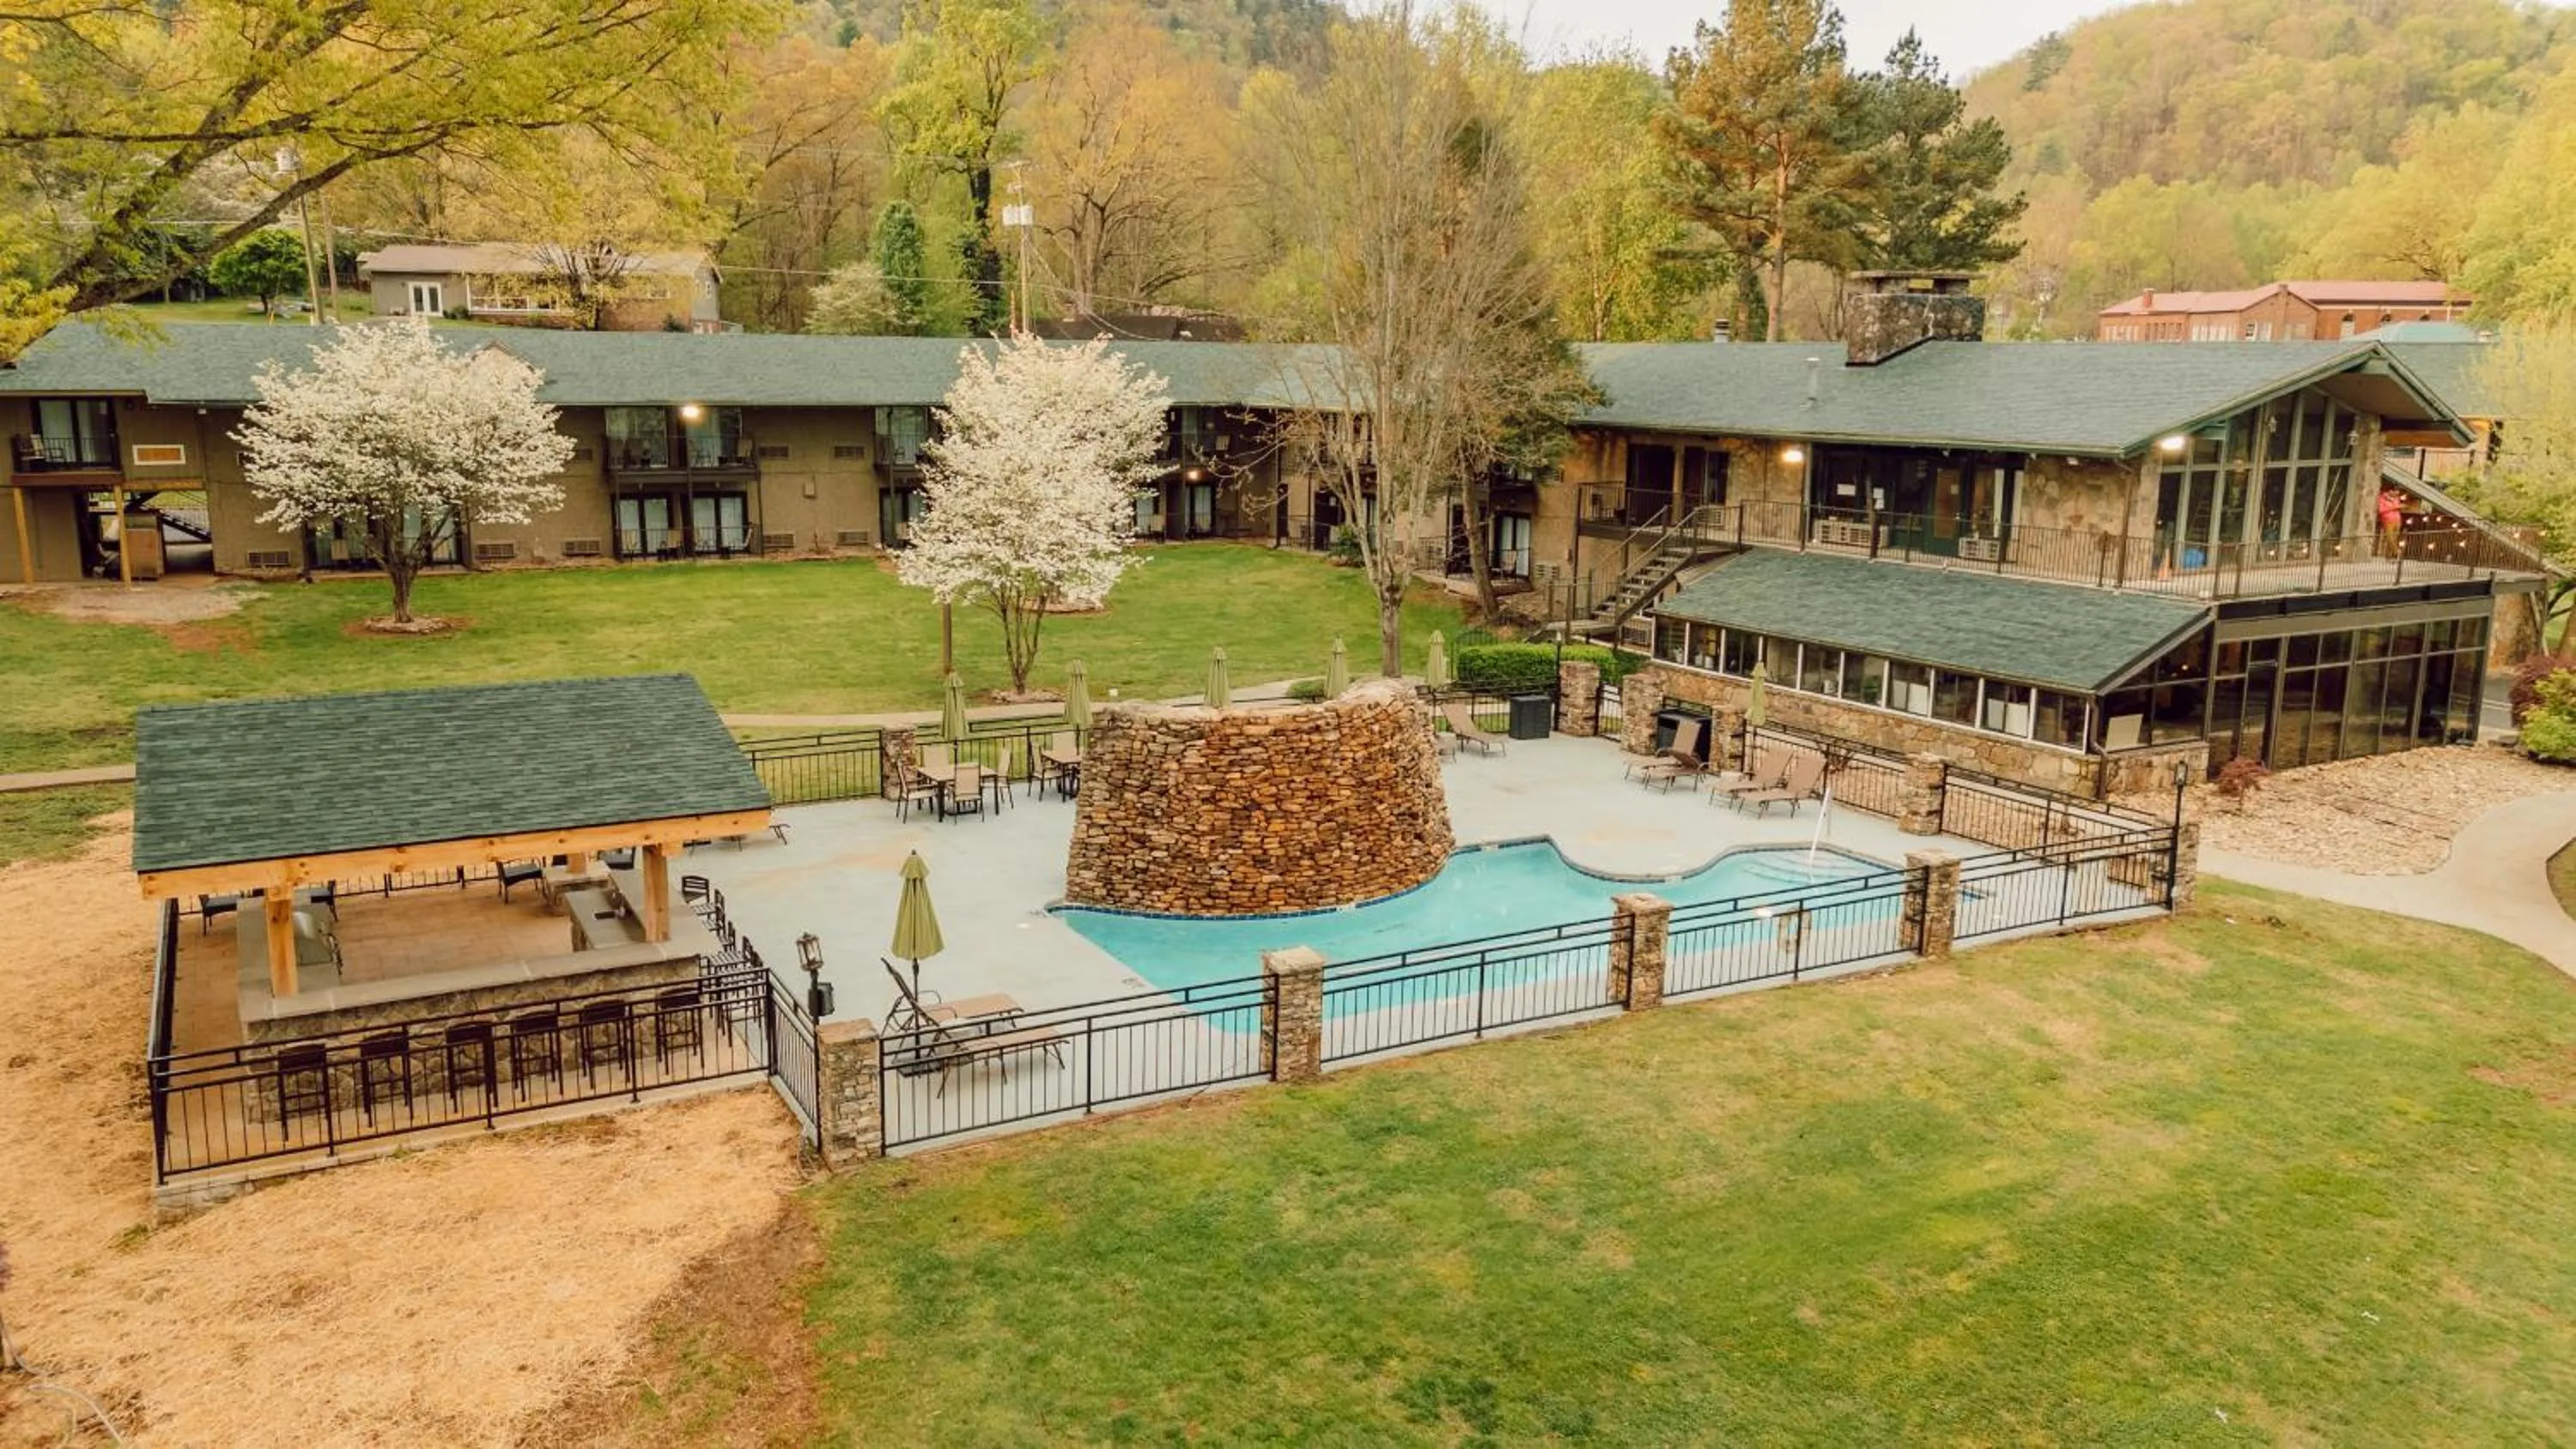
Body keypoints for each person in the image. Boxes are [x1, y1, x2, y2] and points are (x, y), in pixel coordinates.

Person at [2376, 484, 2408, 557]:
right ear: (2390, 491)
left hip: (2397, 520)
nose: (2397, 494)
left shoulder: (2396, 499)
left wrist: (2402, 507)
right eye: (2395, 492)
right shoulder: (2382, 498)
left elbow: (2397, 507)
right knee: (2390, 538)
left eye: (2398, 493)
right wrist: (2395, 507)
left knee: (2394, 539)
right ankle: (2397, 552)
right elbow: (2381, 510)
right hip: (2388, 520)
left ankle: (2389, 556)